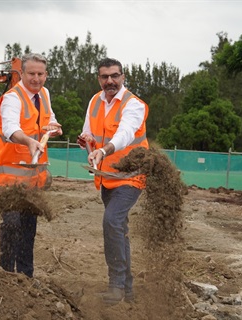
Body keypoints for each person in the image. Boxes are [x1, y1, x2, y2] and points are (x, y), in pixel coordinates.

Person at [78, 58, 149, 304]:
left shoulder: (134, 105)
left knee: (112, 221)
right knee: (119, 228)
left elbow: (125, 134)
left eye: (114, 76)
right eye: (104, 76)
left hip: (131, 176)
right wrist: (87, 143)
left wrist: (104, 150)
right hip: (107, 177)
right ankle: (127, 290)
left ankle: (116, 286)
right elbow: (90, 133)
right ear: (99, 78)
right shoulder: (95, 102)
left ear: (123, 76)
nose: (110, 81)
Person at [0, 53, 62, 278]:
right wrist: (29, 141)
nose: (36, 78)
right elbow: (10, 129)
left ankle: (25, 275)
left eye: (40, 74)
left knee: (29, 228)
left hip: (33, 178)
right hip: (9, 178)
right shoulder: (12, 98)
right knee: (12, 224)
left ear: (46, 75)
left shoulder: (45, 95)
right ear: (22, 74)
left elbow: (48, 118)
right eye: (31, 73)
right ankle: (6, 274)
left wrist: (53, 127)